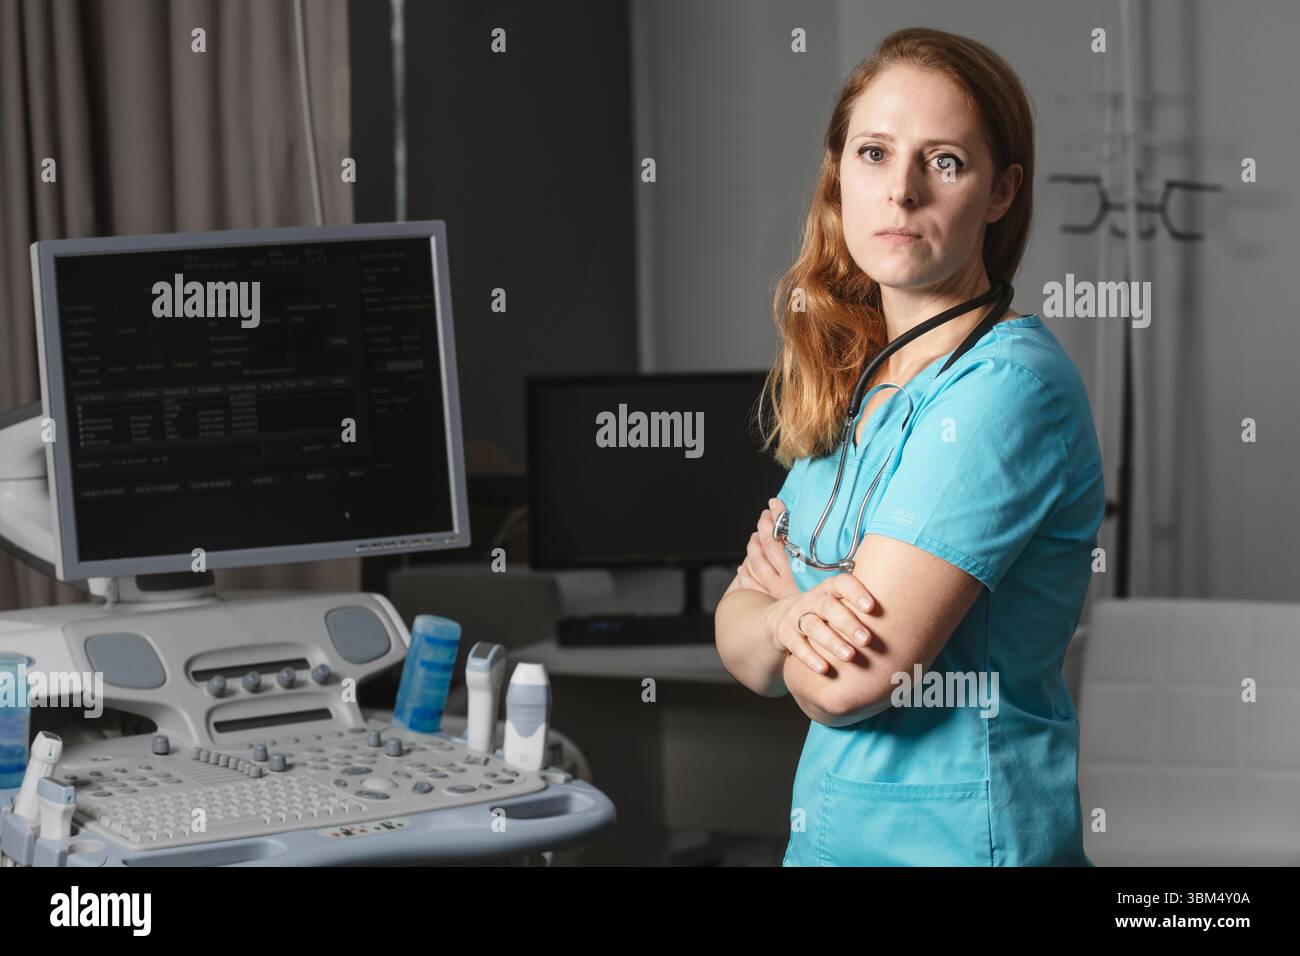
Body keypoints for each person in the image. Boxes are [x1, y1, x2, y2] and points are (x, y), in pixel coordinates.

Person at [713, 26, 1104, 866]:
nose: (902, 192)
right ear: (838, 176)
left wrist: (781, 623)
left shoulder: (1006, 392)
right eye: (874, 153)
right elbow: (737, 641)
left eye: (945, 162)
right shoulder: (854, 383)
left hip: (964, 846)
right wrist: (788, 618)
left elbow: (845, 684)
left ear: (1001, 193)